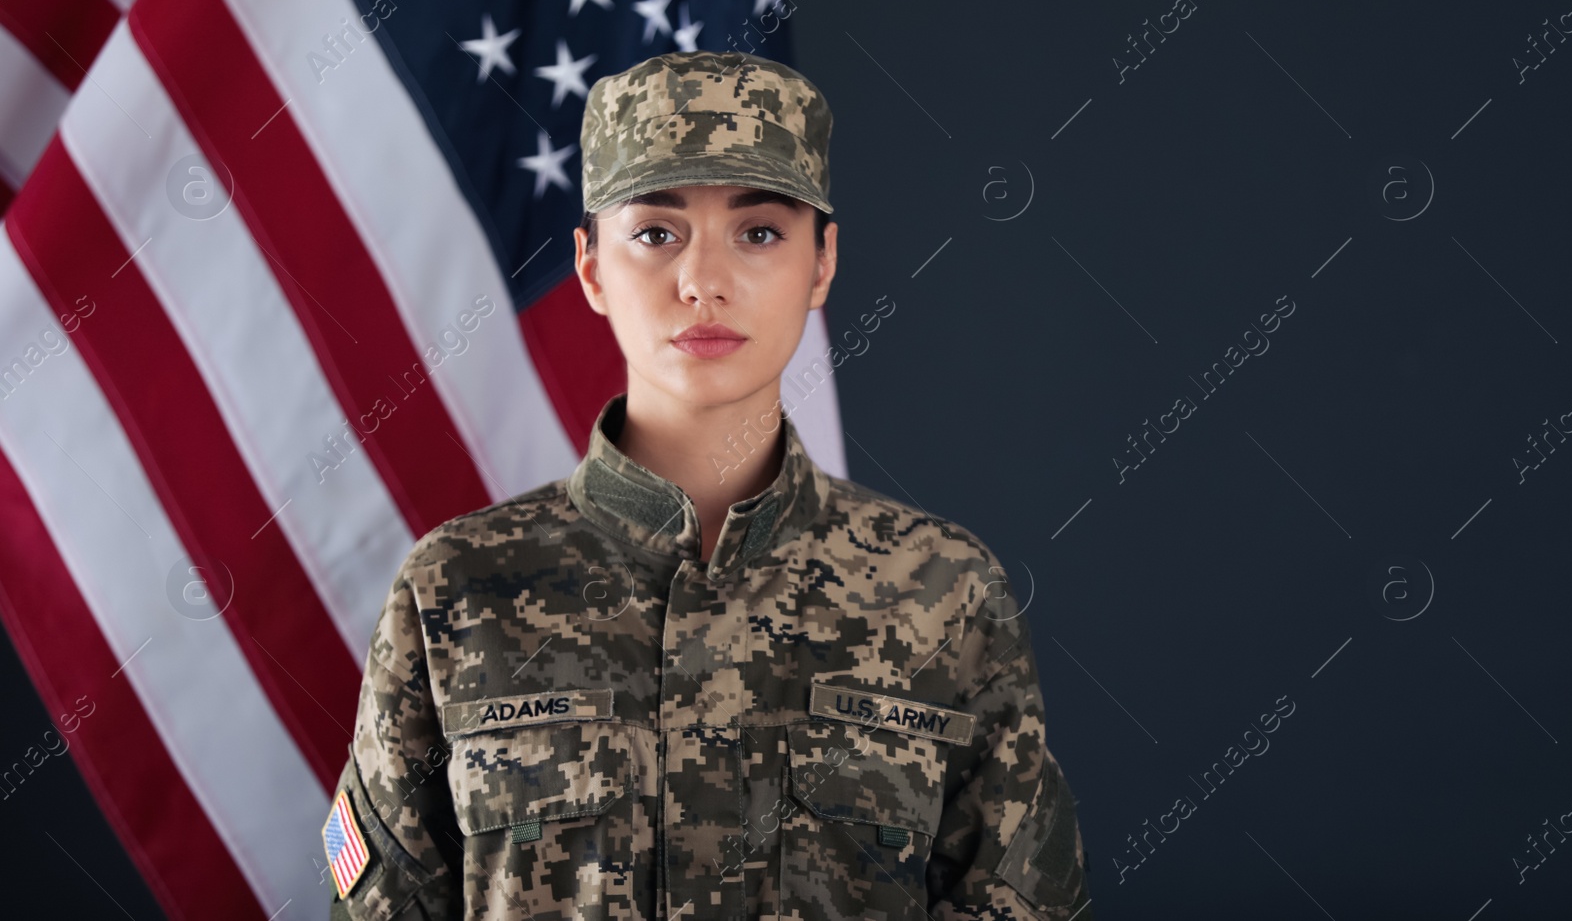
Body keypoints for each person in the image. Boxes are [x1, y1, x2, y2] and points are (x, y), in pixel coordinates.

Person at [322, 50, 1093, 919]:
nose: (703, 281)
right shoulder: (458, 590)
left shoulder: (944, 593)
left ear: (822, 262)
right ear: (589, 267)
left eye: (759, 231)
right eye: (656, 233)